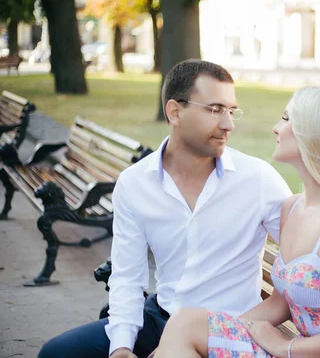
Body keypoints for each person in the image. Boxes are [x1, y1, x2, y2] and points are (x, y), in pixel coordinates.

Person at [38, 60, 292, 358]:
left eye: (231, 111)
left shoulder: (258, 180)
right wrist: (121, 347)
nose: (228, 124)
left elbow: (302, 260)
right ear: (175, 112)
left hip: (232, 330)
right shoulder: (135, 184)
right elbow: (127, 278)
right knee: (56, 353)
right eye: (214, 109)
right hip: (161, 317)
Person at [153, 86, 320, 358]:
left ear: (316, 132)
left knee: (184, 330)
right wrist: (190, 338)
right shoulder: (292, 208)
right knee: (183, 324)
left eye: (287, 119)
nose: (277, 128)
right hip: (297, 349)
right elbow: (279, 304)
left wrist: (284, 347)